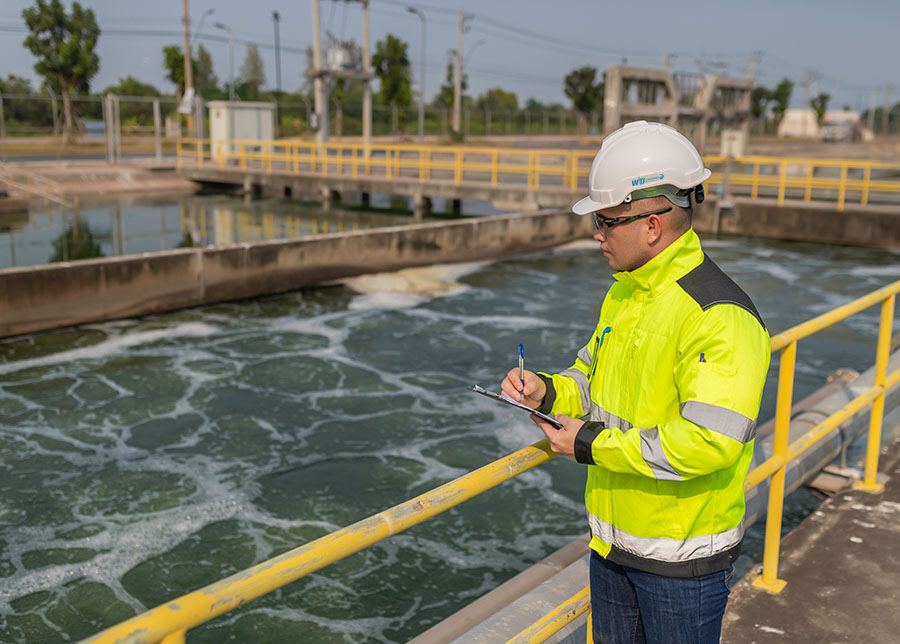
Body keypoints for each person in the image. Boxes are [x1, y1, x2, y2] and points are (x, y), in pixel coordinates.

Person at [500, 120, 770, 644]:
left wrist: (588, 443)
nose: (596, 234)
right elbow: (592, 377)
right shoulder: (625, 293)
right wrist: (547, 390)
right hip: (613, 546)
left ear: (651, 224)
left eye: (605, 221)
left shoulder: (718, 314)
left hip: (680, 560)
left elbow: (708, 442)